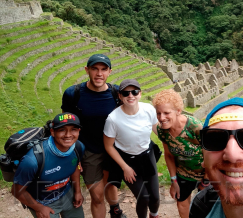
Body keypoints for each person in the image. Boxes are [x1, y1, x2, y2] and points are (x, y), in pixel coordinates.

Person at [61, 54, 125, 218]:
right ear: (87, 70)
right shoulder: (73, 94)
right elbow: (68, 128)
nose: (99, 74)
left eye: (104, 69)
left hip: (113, 150)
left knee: (110, 186)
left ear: (110, 72)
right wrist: (74, 155)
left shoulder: (117, 93)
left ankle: (115, 208)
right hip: (89, 152)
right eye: (94, 69)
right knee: (97, 197)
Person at [103, 79, 160, 218]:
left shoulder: (148, 109)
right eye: (126, 93)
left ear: (140, 94)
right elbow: (108, 146)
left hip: (147, 156)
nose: (131, 96)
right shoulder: (113, 119)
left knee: (155, 197)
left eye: (134, 92)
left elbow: (158, 131)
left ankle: (154, 215)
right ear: (120, 96)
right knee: (143, 197)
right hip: (127, 160)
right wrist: (124, 167)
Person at [12, 113, 85, 218]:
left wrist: (77, 192)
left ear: (78, 131)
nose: (68, 135)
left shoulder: (78, 147)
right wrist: (39, 208)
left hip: (67, 194)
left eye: (73, 129)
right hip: (42, 202)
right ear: (52, 132)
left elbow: (74, 167)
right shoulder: (33, 161)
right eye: (62, 130)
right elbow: (16, 190)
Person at [152, 89, 206, 218]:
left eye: (166, 113)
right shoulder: (162, 130)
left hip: (204, 172)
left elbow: (209, 153)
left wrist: (207, 180)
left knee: (205, 206)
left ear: (178, 111)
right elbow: (169, 154)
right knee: (181, 202)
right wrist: (174, 181)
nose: (161, 118)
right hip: (183, 173)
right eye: (158, 113)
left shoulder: (195, 127)